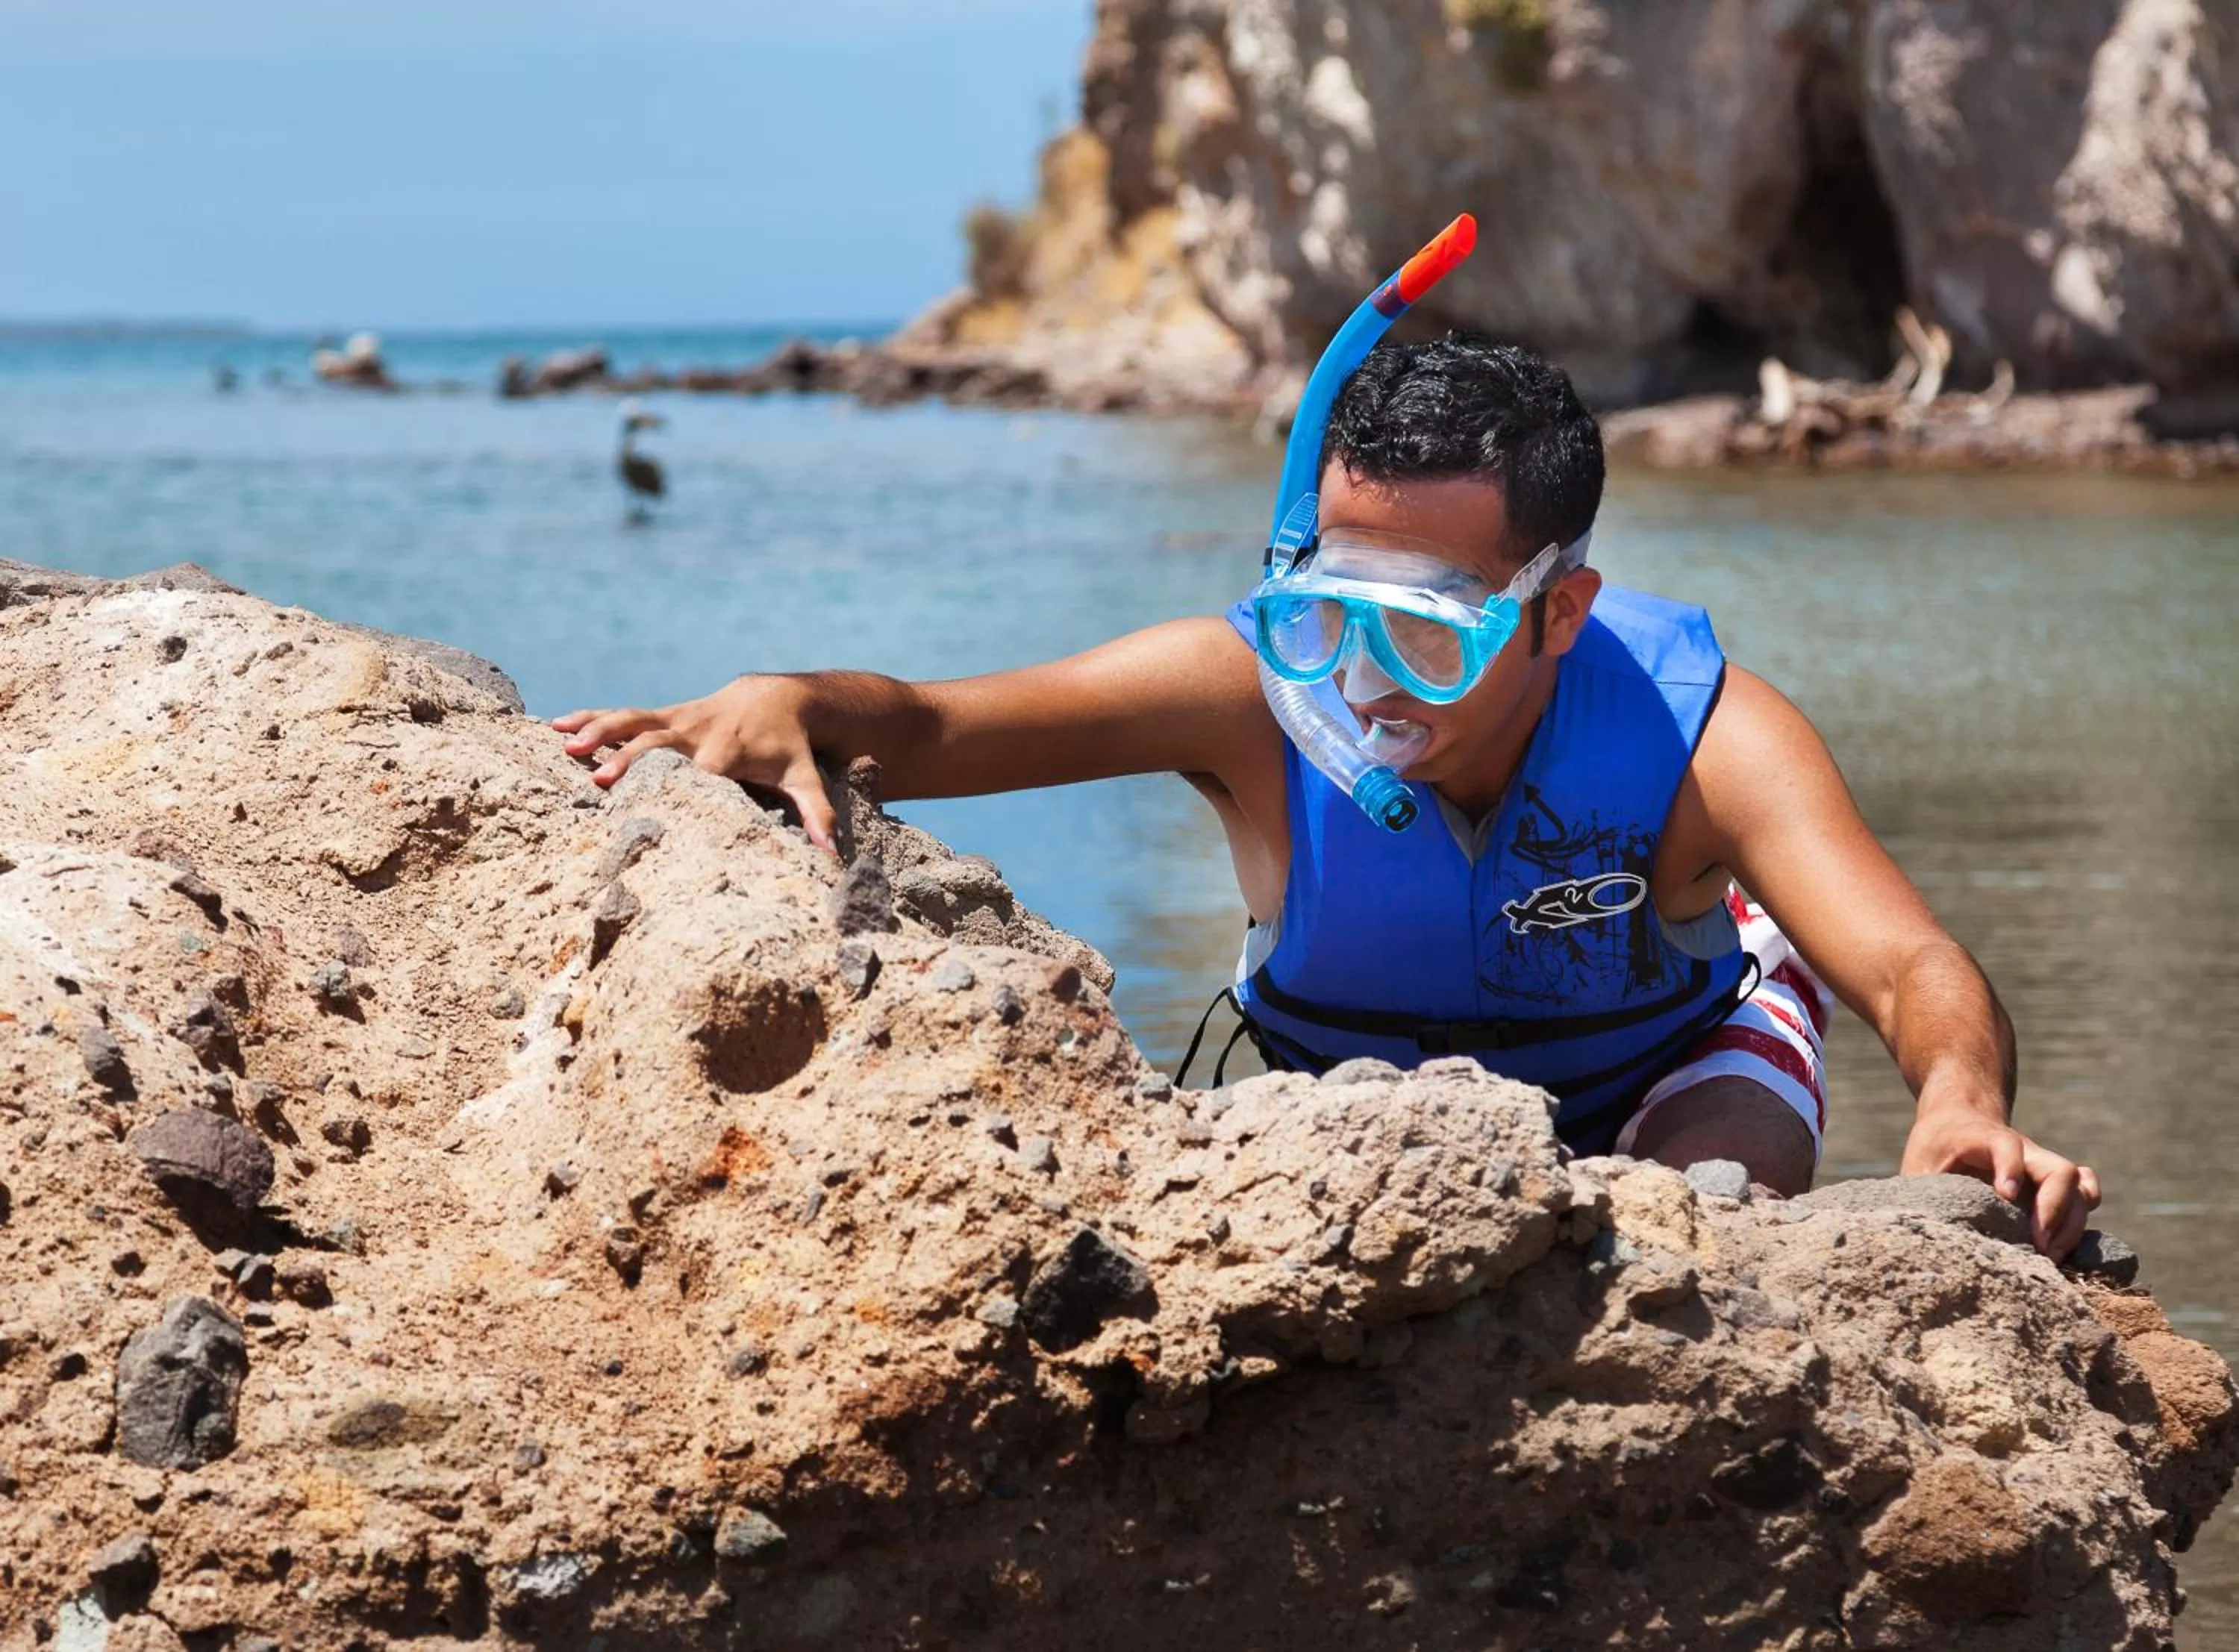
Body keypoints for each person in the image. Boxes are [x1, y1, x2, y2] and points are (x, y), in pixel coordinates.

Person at [554, 334, 2099, 1257]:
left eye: (1427, 630)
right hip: (1352, 1090)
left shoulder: (1707, 735)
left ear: (1560, 611)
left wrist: (1962, 1098)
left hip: (1672, 1060)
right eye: (1332, 612)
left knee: (1695, 1202)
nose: (1363, 676)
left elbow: (1909, 967)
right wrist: (793, 704)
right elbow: (945, 723)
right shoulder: (1250, 700)